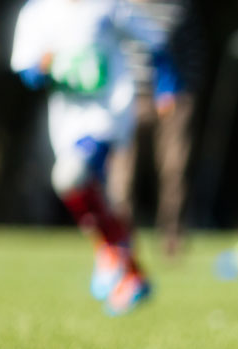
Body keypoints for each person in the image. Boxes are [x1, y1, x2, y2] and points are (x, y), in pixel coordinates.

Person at [10, 0, 176, 315]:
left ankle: (113, 254)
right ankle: (128, 268)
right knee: (87, 195)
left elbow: (154, 40)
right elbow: (26, 71)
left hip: (108, 115)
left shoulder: (108, 6)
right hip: (66, 122)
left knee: (70, 177)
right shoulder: (36, 12)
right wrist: (41, 67)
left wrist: (167, 87)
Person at [107, 0, 203, 258]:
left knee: (174, 169)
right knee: (122, 174)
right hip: (128, 97)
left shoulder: (178, 7)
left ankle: (173, 239)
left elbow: (192, 53)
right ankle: (119, 243)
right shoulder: (117, 6)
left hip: (174, 98)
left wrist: (177, 92)